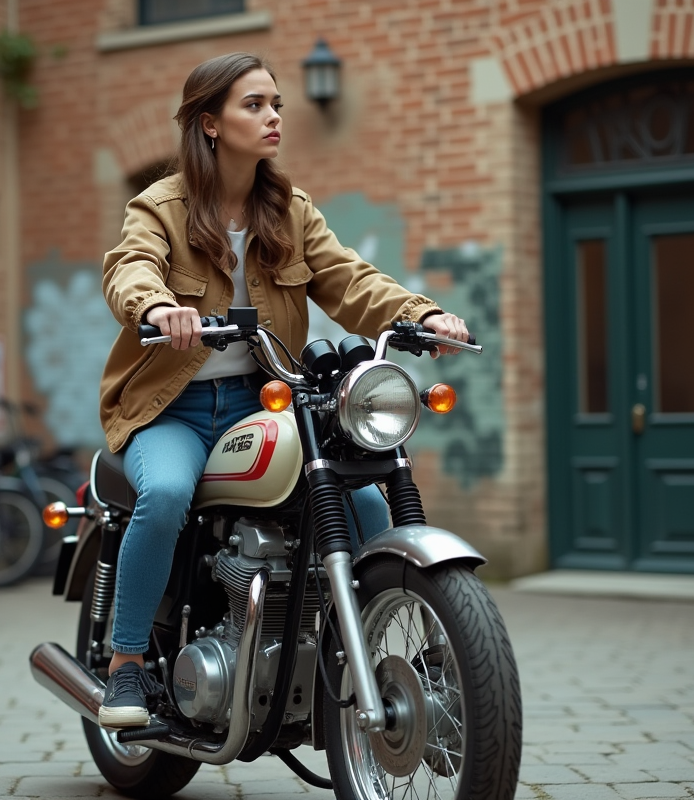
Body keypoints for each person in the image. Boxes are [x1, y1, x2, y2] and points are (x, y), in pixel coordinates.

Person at [96, 52, 471, 728]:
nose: (272, 117)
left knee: (362, 501)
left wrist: (420, 314)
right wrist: (156, 308)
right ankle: (125, 666)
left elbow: (350, 280)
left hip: (261, 401)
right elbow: (130, 268)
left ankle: (347, 649)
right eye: (254, 105)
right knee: (168, 494)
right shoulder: (160, 205)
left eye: (276, 104)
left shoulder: (289, 210)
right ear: (209, 124)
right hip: (172, 408)